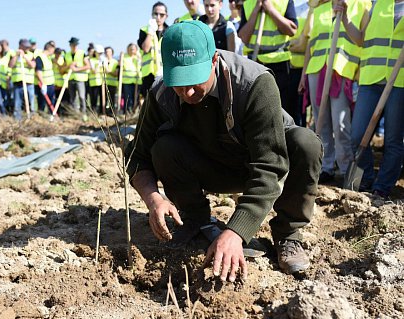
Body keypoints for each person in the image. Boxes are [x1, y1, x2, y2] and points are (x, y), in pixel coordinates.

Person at [125, 20, 322, 277]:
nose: (188, 91)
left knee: (306, 144)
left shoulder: (254, 84)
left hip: (255, 165)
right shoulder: (160, 94)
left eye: (195, 79)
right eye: (180, 82)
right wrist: (154, 200)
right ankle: (195, 220)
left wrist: (236, 232)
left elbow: (269, 166)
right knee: (164, 147)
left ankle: (287, 234)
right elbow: (137, 156)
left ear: (215, 61)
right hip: (210, 164)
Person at [337, 0, 403, 198]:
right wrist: (346, 19)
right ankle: (364, 179)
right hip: (370, 79)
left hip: (399, 80)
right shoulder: (375, 5)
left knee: (393, 139)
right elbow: (361, 39)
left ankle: (382, 186)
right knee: (357, 135)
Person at [299, 0, 368, 184]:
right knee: (322, 124)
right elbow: (310, 45)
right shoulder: (319, 8)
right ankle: (326, 166)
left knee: (340, 123)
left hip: (342, 70)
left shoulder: (360, 5)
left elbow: (362, 41)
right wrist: (303, 75)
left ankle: (346, 169)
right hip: (316, 70)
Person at [238, 0, 298, 114]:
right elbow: (244, 37)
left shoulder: (285, 2)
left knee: (282, 108)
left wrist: (270, 9)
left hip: (279, 63)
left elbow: (291, 30)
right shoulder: (248, 4)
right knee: (258, 106)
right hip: (256, 63)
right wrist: (256, 10)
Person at [138, 2, 169, 98]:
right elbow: (146, 48)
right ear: (152, 15)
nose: (158, 17)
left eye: (162, 14)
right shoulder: (144, 30)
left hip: (164, 72)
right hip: (149, 73)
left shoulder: (170, 31)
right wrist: (150, 32)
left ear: (166, 16)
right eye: (156, 14)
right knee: (149, 101)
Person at [60, 37, 90, 117]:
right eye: (73, 45)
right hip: (70, 79)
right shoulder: (66, 55)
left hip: (80, 79)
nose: (74, 46)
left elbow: (88, 66)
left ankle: (83, 114)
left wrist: (76, 69)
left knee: (81, 97)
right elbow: (63, 68)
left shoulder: (82, 53)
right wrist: (69, 66)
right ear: (70, 45)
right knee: (72, 98)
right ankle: (75, 114)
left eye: (76, 45)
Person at [8, 38, 36, 120]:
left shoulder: (31, 55)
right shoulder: (13, 54)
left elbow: (33, 65)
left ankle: (31, 119)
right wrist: (17, 55)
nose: (27, 48)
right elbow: (10, 65)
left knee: (31, 103)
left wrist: (24, 57)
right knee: (17, 104)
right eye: (25, 46)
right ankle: (18, 121)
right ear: (20, 46)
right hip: (18, 83)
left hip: (29, 83)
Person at [35, 41, 56, 113]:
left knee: (51, 102)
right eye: (53, 48)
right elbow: (38, 71)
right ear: (49, 48)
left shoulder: (48, 58)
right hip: (44, 85)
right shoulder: (40, 57)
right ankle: (41, 117)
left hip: (50, 84)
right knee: (42, 103)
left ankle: (51, 117)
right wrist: (43, 83)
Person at [121, 43, 141, 113]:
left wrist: (139, 58)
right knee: (128, 97)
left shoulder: (139, 57)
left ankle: (135, 111)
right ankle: (127, 111)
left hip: (137, 81)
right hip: (127, 81)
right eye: (130, 49)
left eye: (133, 49)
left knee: (136, 97)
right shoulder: (124, 57)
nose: (132, 50)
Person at [88, 44, 106, 114]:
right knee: (94, 99)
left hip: (102, 82)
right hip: (94, 83)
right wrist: (99, 63)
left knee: (103, 99)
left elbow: (106, 70)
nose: (100, 54)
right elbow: (94, 71)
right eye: (98, 53)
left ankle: (102, 113)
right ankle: (94, 113)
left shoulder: (104, 59)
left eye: (101, 53)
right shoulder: (91, 60)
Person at [104, 46, 119, 112]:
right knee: (104, 99)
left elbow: (116, 74)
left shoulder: (115, 62)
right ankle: (104, 112)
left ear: (112, 53)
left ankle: (112, 112)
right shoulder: (103, 61)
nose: (107, 53)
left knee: (112, 99)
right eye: (106, 52)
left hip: (113, 84)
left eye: (109, 51)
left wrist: (108, 72)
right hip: (104, 84)